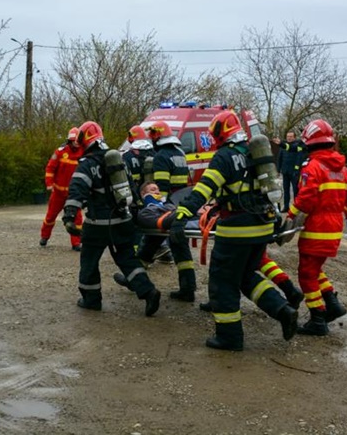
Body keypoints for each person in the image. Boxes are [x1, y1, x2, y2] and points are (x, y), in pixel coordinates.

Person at [171, 110, 299, 351]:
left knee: (223, 282)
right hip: (261, 227)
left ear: (219, 134)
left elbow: (203, 189)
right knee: (245, 277)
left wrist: (182, 214)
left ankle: (229, 337)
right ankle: (283, 310)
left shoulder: (224, 156)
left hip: (237, 231)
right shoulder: (254, 152)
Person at [121, 181, 303, 310]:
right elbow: (163, 222)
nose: (156, 191)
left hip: (207, 218)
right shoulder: (147, 211)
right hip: (204, 220)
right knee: (255, 255)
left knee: (252, 256)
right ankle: (275, 229)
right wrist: (182, 213)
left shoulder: (169, 204)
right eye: (151, 190)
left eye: (157, 188)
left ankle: (275, 228)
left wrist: (187, 210)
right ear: (143, 195)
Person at [62, 121, 162, 316]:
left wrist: (69, 217)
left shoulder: (87, 164)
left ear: (84, 141)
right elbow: (131, 188)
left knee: (89, 261)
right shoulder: (119, 160)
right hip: (122, 220)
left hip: (98, 224)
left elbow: (77, 190)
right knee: (127, 259)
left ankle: (91, 300)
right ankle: (148, 292)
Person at [286, 119, 347, 336]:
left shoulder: (313, 167)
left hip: (316, 228)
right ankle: (332, 304)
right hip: (334, 228)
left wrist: (290, 216)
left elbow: (306, 199)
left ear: (309, 143)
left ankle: (318, 318)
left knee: (306, 273)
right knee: (314, 268)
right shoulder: (341, 169)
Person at [145, 121, 196, 301]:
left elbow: (162, 186)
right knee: (179, 247)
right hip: (181, 204)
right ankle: (188, 289)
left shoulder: (161, 156)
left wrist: (157, 207)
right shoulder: (180, 153)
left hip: (168, 207)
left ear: (157, 137)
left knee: (151, 239)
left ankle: (134, 279)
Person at [41, 127, 84, 250]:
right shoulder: (60, 152)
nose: (76, 143)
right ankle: (44, 237)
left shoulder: (83, 152)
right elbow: (50, 168)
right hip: (58, 193)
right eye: (74, 141)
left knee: (77, 218)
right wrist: (49, 183)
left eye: (78, 141)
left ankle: (76, 243)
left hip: (73, 194)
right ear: (69, 140)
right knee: (50, 216)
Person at [277, 130, 305, 211]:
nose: (289, 138)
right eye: (288, 136)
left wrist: (297, 169)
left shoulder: (298, 146)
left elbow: (299, 158)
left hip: (294, 172)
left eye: (291, 136)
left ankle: (296, 207)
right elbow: (279, 158)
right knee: (286, 190)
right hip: (285, 171)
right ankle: (286, 207)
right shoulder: (283, 146)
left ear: (294, 137)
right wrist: (278, 170)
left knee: (296, 190)